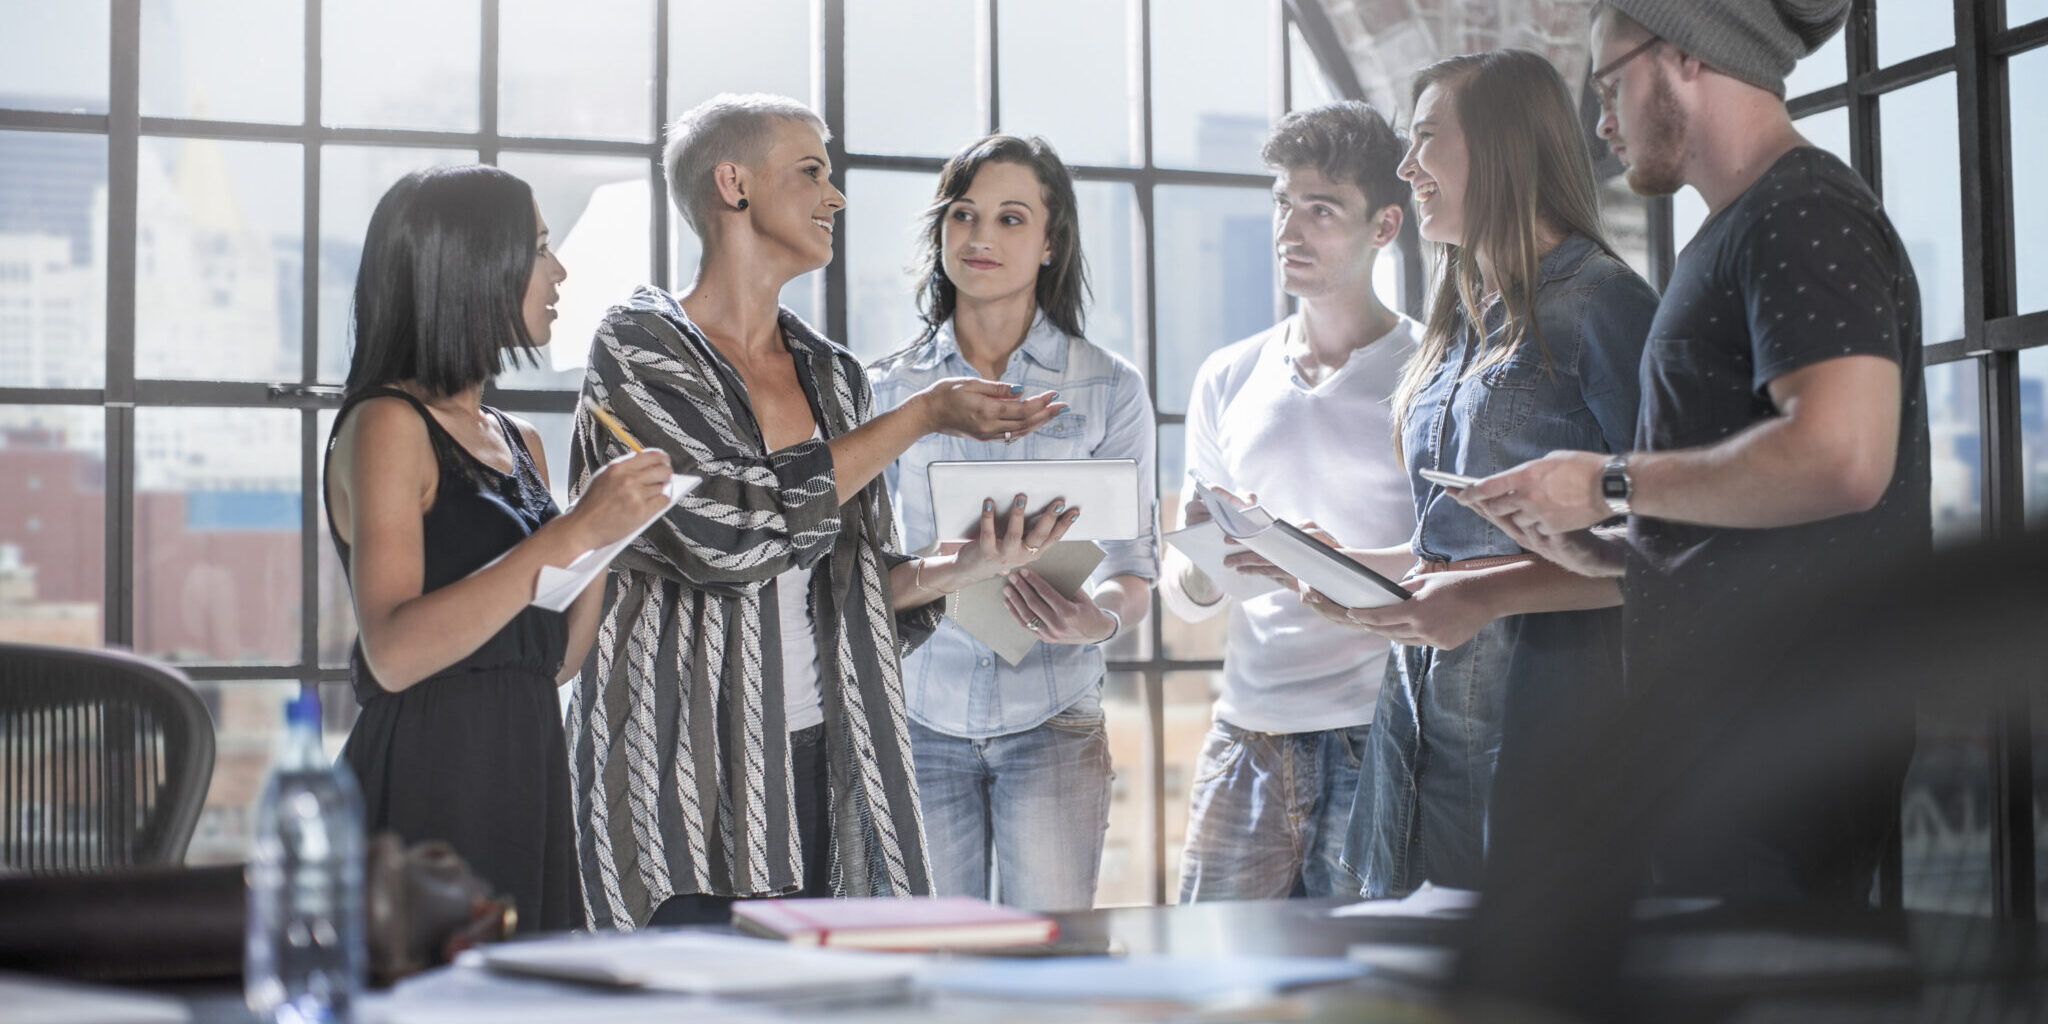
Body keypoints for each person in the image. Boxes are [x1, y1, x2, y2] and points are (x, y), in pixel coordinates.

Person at [565, 94, 1073, 930]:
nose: (835, 196)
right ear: (733, 184)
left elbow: (853, 586)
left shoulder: (835, 375)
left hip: (824, 765)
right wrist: (920, 416)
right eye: (811, 172)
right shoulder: (638, 346)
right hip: (682, 776)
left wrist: (966, 564)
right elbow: (728, 533)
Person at [1460, 0, 1927, 904]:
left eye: (1609, 85)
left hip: (1783, 748)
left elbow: (1842, 457)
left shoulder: (1800, 211)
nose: (1601, 124)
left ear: (1684, 54)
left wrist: (1608, 483)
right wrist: (1620, 554)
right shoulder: (1739, 227)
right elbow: (1759, 513)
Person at [1292, 51, 1660, 899]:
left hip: (1545, 721)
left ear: (1501, 147)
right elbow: (1451, 548)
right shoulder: (1456, 322)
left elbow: (1669, 549)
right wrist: (1344, 565)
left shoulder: (1605, 304)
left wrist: (1485, 599)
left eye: (1426, 139)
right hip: (1419, 721)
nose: (1406, 167)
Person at [325, 164, 676, 931]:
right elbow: (394, 653)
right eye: (539, 248)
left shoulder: (519, 442)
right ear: (471, 266)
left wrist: (607, 532)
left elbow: (555, 660)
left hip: (525, 777)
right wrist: (569, 532)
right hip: (428, 786)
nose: (560, 270)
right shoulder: (387, 425)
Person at [867, 135, 1156, 912]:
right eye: (963, 215)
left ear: (1051, 243)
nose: (980, 236)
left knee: (1048, 961)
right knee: (933, 961)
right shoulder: (886, 392)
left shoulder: (1109, 388)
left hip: (1055, 719)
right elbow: (860, 579)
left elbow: (1134, 567)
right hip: (920, 719)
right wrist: (949, 568)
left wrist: (1096, 620)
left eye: (1011, 218)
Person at [1155, 101, 1417, 902]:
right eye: (1282, 203)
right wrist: (1201, 563)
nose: (1289, 231)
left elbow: (1449, 560)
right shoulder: (1227, 375)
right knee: (1216, 963)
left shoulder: (1428, 370)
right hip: (1247, 736)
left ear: (1384, 226)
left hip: (1379, 734)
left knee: (1368, 969)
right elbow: (1186, 595)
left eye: (1321, 210)